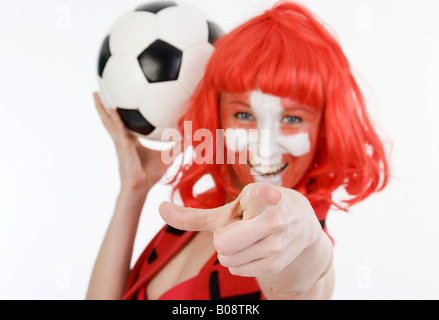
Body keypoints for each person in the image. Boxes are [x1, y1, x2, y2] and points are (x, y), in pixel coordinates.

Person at [86, 1, 389, 300]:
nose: (265, 145)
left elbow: (304, 274)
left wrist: (307, 238)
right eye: (244, 115)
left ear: (325, 130)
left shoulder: (290, 237)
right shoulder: (200, 215)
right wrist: (133, 189)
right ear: (217, 116)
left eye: (292, 118)